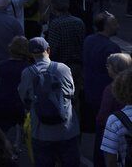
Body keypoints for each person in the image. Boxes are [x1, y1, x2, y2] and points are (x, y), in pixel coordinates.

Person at [19, 35, 79, 167]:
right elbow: (72, 92)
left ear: (30, 54)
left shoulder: (28, 73)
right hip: (67, 130)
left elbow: (23, 97)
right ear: (48, 50)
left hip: (41, 132)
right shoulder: (63, 68)